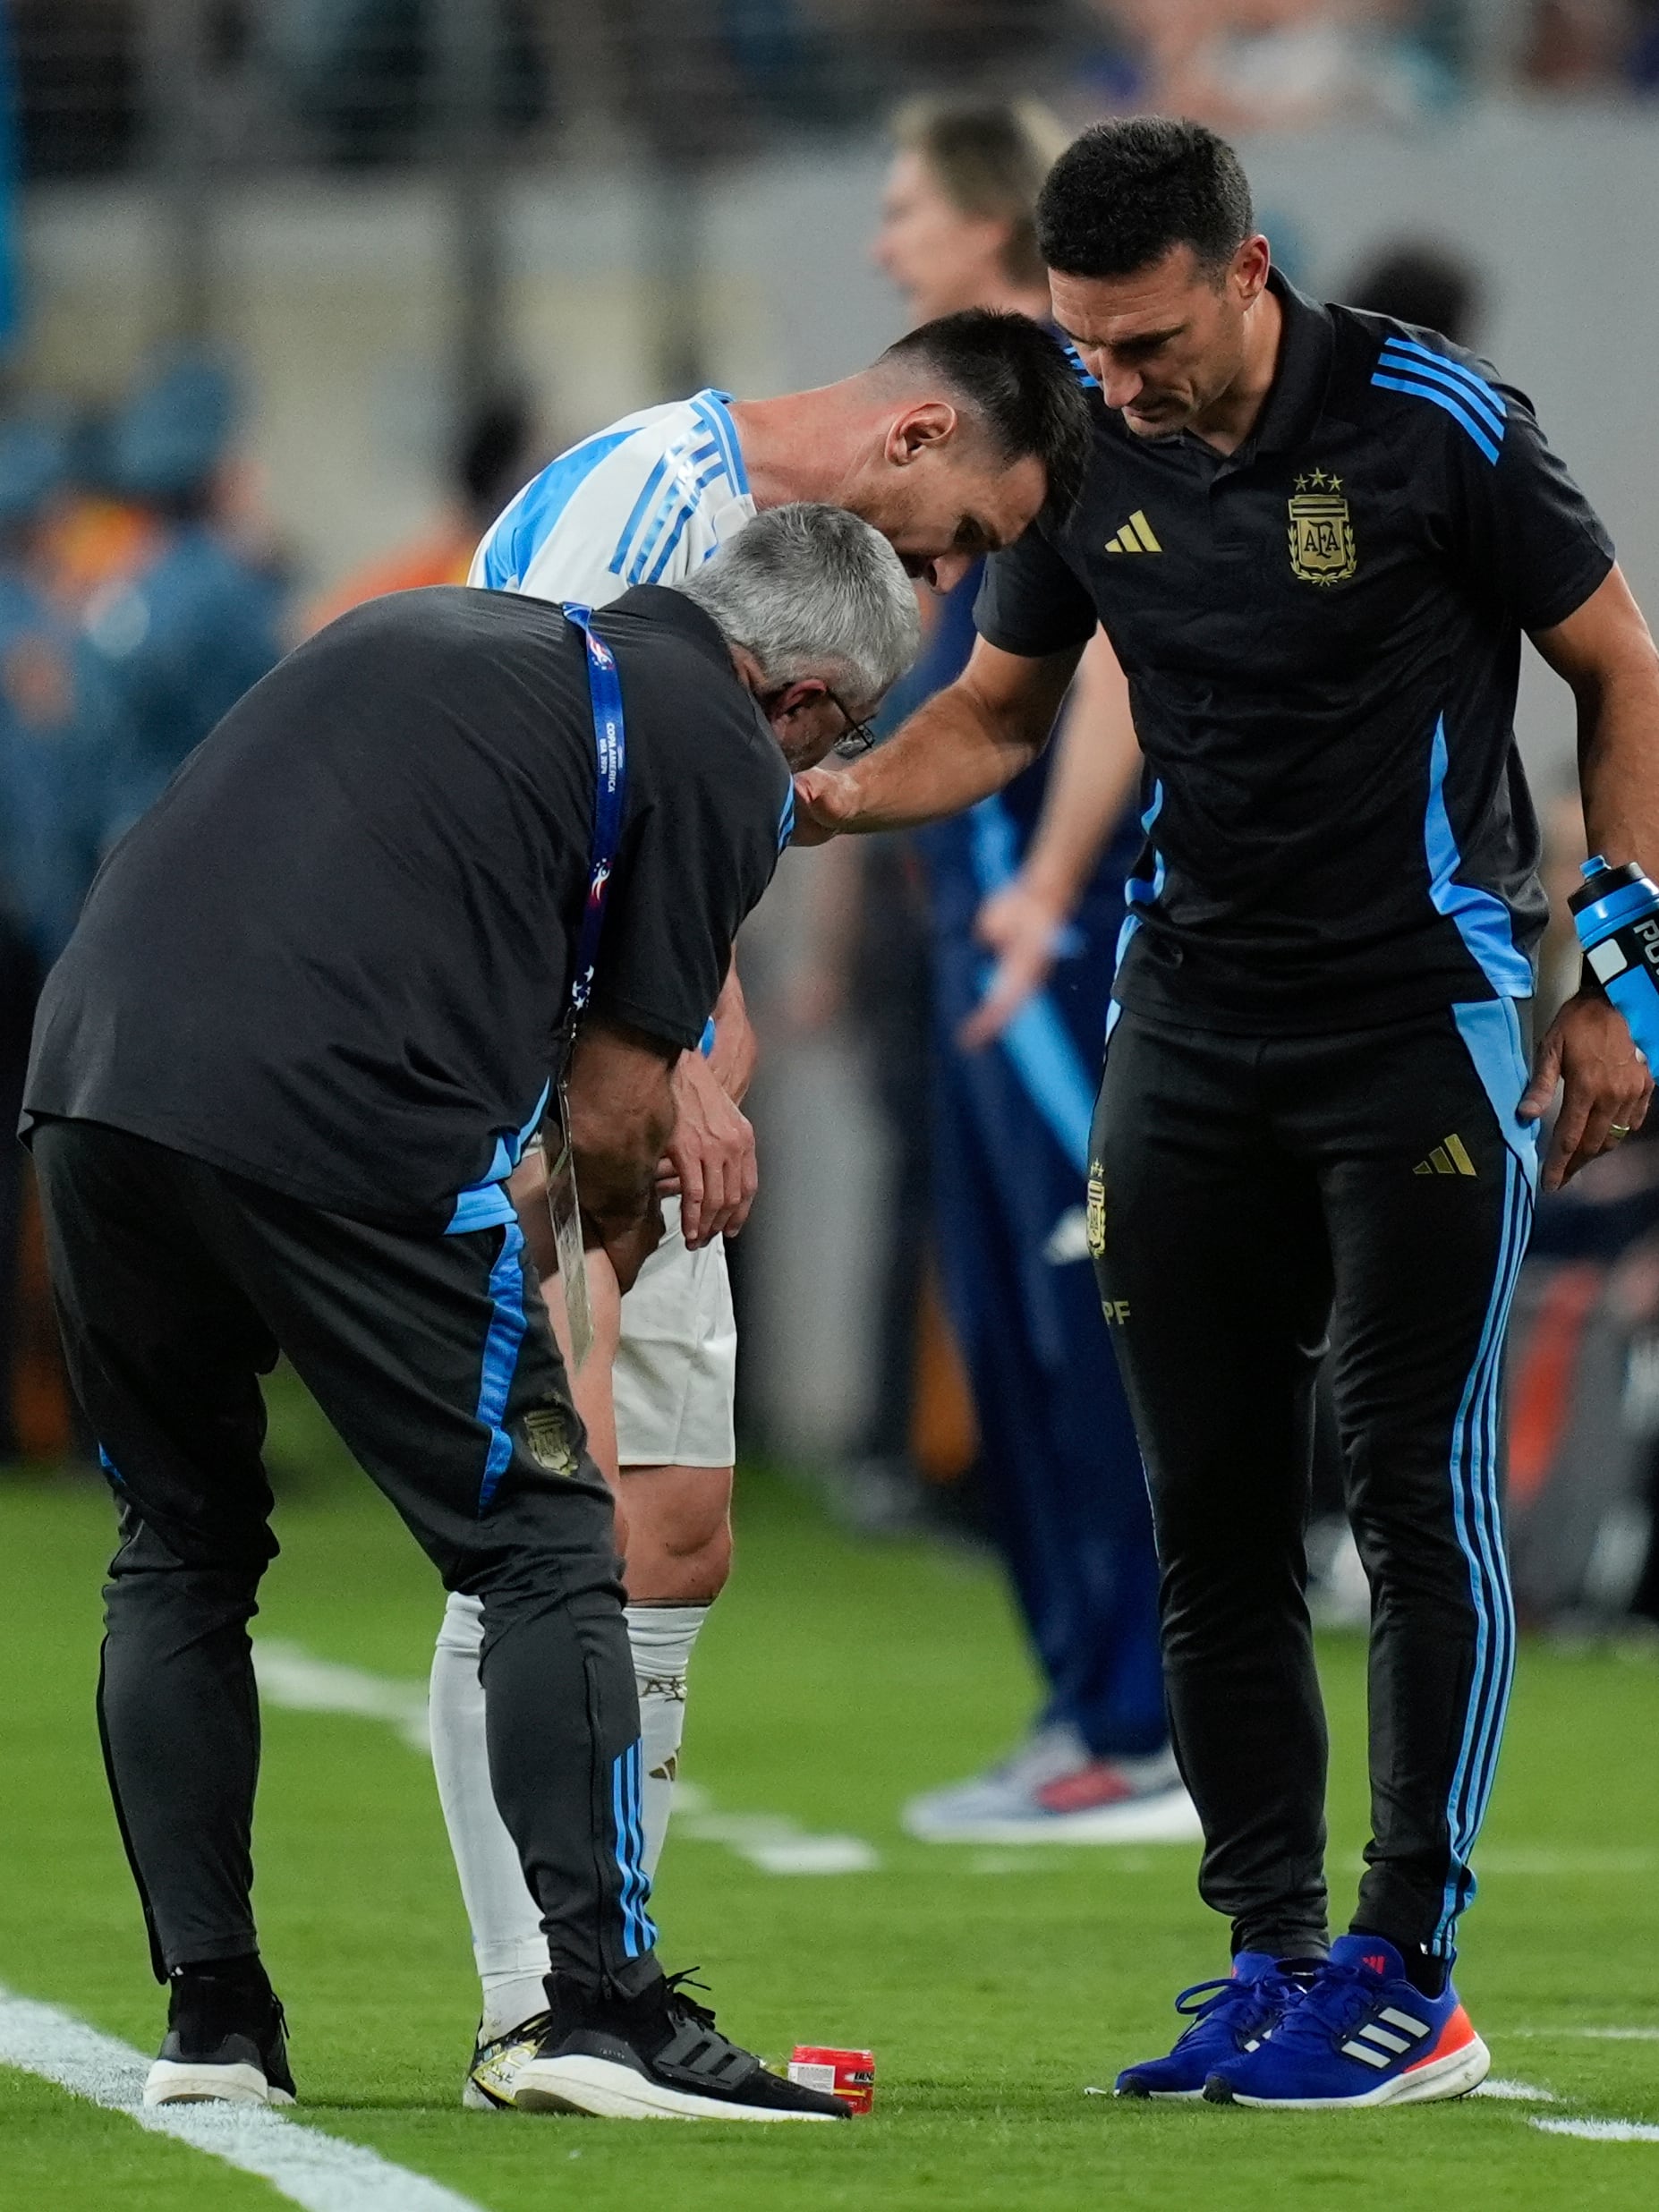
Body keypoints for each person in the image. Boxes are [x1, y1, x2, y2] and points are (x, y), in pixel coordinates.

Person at [795, 116, 1658, 2108]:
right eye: (1087, 347)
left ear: (1247, 278)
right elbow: (1006, 709)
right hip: (1186, 1023)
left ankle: (1408, 1967)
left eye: (1152, 340)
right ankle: (1269, 1954)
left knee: (1414, 1488)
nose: (1118, 383)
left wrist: (1621, 978)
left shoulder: (1440, 423)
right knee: (1204, 1507)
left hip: (1415, 1030)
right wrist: (834, 793)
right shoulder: (1093, 445)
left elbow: (1618, 666)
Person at [21, 506, 920, 2123]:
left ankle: (212, 2016)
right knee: (546, 1536)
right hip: (325, 1098)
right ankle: (602, 2007)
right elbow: (611, 1107)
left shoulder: (446, 629)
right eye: (832, 741)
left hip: (90, 1077)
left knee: (180, 1542)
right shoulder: (715, 739)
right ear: (797, 697)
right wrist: (588, 1266)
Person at [428, 307, 1091, 2095]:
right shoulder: (641, 500)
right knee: (562, 1519)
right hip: (542, 1071)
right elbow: (511, 805)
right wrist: (663, 1066)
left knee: (681, 1527)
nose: (949, 579)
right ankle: (542, 2000)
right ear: (914, 434)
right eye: (961, 535)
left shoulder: (756, 535)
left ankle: (599, 1982)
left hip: (644, 1056)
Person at [867, 97, 1188, 1841]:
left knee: (1093, 1312)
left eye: (907, 204)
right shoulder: (970, 434)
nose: (881, 237)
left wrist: (1049, 888)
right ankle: (1084, 1698)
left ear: (993, 225)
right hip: (985, 937)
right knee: (1000, 1319)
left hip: (1058, 947)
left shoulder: (1079, 429)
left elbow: (1120, 668)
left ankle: (1145, 1718)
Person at [77, 353, 285, 842]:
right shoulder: (224, 589)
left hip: (125, 854)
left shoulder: (130, 583)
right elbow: (279, 725)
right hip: (207, 851)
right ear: (219, 473)